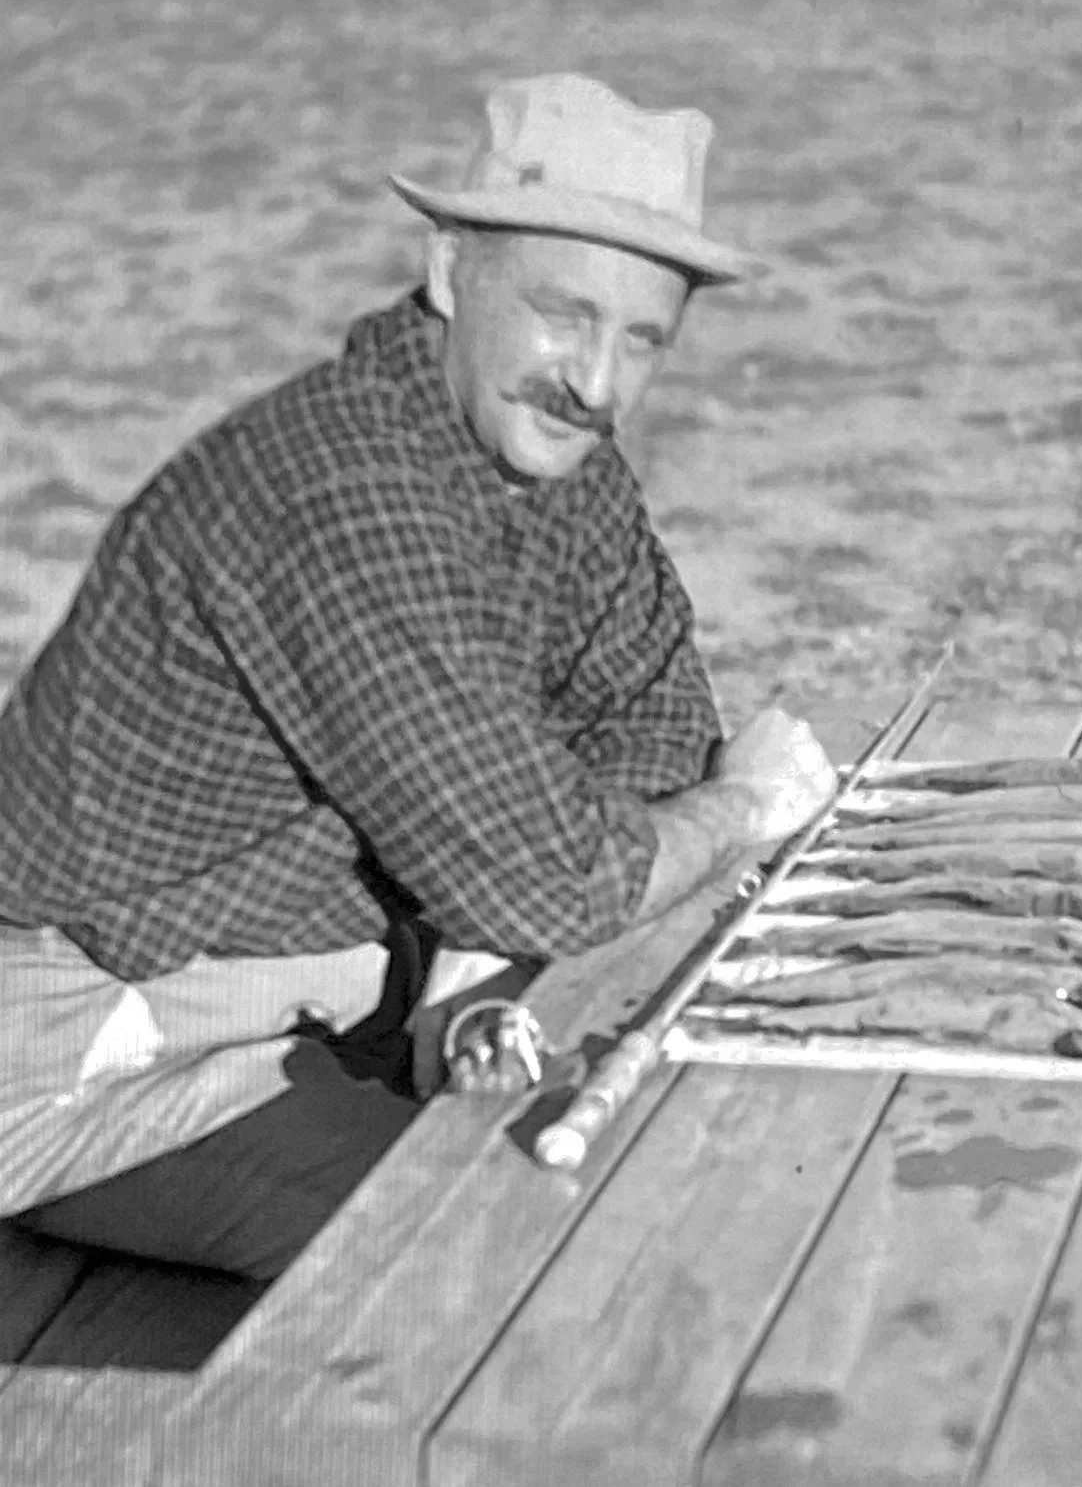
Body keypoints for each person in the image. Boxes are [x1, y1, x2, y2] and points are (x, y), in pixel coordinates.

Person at [0, 73, 838, 1282]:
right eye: (563, 315)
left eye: (642, 337)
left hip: (334, 998)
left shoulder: (547, 461)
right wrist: (746, 810)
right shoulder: (339, 495)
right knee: (509, 1260)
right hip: (88, 1042)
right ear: (451, 273)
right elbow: (560, 879)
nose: (597, 384)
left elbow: (652, 716)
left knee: (687, 1162)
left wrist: (472, 957)